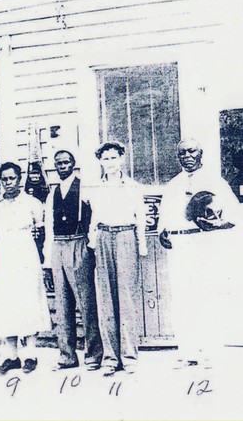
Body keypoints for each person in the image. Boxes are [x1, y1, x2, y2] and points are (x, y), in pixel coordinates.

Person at [159, 138, 237, 368]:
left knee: (206, 296)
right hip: (180, 245)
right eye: (182, 153)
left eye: (192, 151)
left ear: (201, 153)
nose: (187, 156)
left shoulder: (215, 181)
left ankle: (211, 351)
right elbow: (164, 217)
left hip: (204, 244)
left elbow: (233, 216)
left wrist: (217, 225)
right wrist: (163, 232)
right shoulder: (173, 184)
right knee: (182, 299)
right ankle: (188, 351)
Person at [83, 141, 147, 376]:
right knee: (106, 299)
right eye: (105, 158)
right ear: (100, 161)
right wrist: (93, 242)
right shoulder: (95, 189)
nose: (110, 162)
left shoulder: (133, 187)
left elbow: (140, 218)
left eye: (113, 157)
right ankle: (111, 357)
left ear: (122, 159)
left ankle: (129, 356)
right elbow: (94, 218)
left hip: (126, 237)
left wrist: (141, 247)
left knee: (126, 298)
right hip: (103, 237)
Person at [0, 162, 51, 375]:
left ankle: (30, 354)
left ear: (19, 179)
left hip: (26, 255)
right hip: (3, 255)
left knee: (28, 300)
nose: (8, 183)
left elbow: (40, 232)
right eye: (4, 179)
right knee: (6, 302)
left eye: (11, 178)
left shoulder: (32, 203)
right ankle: (11, 356)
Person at [44, 150, 103, 371]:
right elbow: (49, 228)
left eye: (66, 162)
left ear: (73, 164)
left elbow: (96, 217)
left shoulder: (84, 187)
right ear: (55, 166)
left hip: (79, 243)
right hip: (58, 245)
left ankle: (94, 354)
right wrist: (47, 263)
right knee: (62, 303)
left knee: (86, 302)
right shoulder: (53, 193)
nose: (62, 166)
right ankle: (67, 355)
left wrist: (91, 246)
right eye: (58, 163)